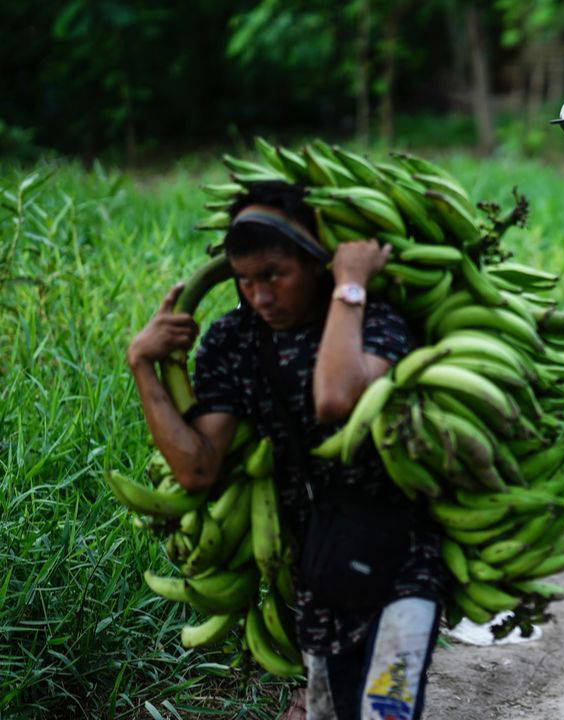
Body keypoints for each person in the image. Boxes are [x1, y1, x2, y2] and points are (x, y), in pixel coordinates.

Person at [126, 182, 444, 720]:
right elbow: (198, 466)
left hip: (404, 555)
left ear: (316, 261)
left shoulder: (377, 319)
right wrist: (142, 364)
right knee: (333, 709)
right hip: (318, 559)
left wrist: (349, 285)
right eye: (246, 281)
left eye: (275, 275)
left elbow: (336, 398)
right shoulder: (234, 339)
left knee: (387, 710)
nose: (261, 297)